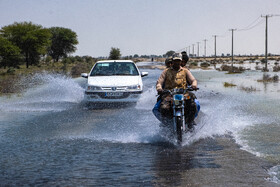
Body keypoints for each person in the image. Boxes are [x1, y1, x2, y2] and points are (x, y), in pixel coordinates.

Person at [154, 53, 199, 129]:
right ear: (173, 61)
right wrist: (159, 88)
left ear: (181, 61)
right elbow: (159, 82)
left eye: (178, 60)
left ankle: (190, 122)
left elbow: (193, 80)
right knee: (164, 108)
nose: (177, 62)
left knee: (192, 105)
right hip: (169, 94)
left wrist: (194, 85)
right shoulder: (166, 71)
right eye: (175, 61)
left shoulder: (185, 71)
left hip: (183, 93)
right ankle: (167, 125)